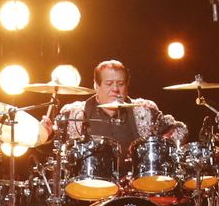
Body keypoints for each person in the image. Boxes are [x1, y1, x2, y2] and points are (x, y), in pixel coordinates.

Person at [45, 59, 186, 154]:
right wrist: (47, 134)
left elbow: (180, 130)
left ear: (127, 86)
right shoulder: (74, 114)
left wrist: (165, 140)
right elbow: (53, 149)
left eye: (120, 84)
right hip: (88, 188)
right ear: (96, 85)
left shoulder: (145, 110)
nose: (115, 89)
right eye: (109, 83)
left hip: (135, 187)